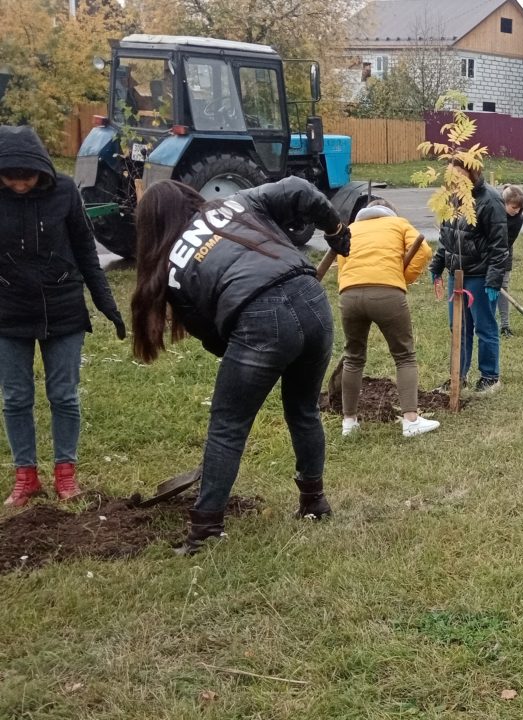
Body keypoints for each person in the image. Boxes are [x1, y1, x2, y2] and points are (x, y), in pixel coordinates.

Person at [131, 176, 352, 554]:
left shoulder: (172, 265)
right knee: (303, 410)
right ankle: (314, 503)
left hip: (257, 317)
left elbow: (212, 335)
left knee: (228, 426)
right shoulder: (238, 204)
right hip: (312, 299)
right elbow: (299, 188)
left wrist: (256, 356)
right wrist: (334, 228)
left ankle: (205, 531)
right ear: (189, 198)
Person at [0, 126, 127, 507]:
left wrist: (108, 307)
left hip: (63, 309)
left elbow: (87, 252)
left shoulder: (64, 191)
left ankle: (65, 474)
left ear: (41, 169)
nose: (20, 184)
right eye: (10, 177)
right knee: (16, 398)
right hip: (8, 313)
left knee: (64, 396)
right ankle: (26, 477)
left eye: (27, 176)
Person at [335, 199, 437, 438]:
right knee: (404, 356)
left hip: (348, 294)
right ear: (391, 211)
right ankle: (411, 421)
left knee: (353, 357)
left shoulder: (351, 229)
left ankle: (349, 422)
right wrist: (404, 277)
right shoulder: (398, 224)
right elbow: (423, 250)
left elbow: (342, 260)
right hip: (387, 292)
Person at [428, 161, 510, 392]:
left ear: (471, 172)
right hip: (457, 274)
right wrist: (437, 265)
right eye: (451, 176)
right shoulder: (451, 198)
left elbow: (499, 245)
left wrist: (493, 280)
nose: (454, 181)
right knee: (458, 328)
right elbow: (447, 238)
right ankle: (458, 376)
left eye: (459, 175)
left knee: (484, 326)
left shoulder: (490, 200)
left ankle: (489, 377)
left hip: (480, 275)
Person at [497, 185, 523, 337]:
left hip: (504, 253)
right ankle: (484, 324)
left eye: (520, 208)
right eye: (514, 207)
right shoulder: (493, 212)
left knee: (503, 287)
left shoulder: (518, 219)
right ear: (504, 203)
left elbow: (506, 243)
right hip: (484, 254)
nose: (517, 211)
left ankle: (505, 326)